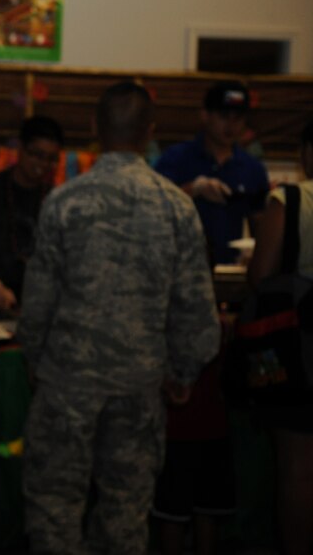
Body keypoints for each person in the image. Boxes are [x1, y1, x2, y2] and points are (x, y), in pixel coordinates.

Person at [19, 81, 221, 554]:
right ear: (150, 133)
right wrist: (184, 370)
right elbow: (195, 308)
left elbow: (38, 300)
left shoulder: (64, 202)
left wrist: (34, 357)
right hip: (139, 384)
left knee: (54, 506)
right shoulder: (176, 206)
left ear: (94, 129)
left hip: (67, 383)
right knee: (126, 511)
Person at [247, 120, 313, 555]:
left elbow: (260, 275)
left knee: (297, 465)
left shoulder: (290, 198)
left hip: (302, 346)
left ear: (306, 151)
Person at [155, 80, 270, 265]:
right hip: (178, 267)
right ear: (205, 115)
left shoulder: (252, 168)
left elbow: (260, 225)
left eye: (238, 118)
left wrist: (255, 254)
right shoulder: (176, 159)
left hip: (229, 267)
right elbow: (154, 209)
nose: (231, 125)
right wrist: (194, 189)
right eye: (224, 116)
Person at [0, 115, 63, 312]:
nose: (42, 164)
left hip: (35, 307)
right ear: (20, 149)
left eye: (51, 159)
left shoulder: (57, 199)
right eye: (36, 154)